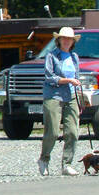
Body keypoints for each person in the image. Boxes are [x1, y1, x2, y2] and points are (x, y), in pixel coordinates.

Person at [38, 27, 83, 176]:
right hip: (54, 95)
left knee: (72, 131)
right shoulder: (51, 56)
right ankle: (44, 159)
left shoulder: (74, 57)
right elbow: (49, 77)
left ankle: (67, 164)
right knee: (53, 131)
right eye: (64, 38)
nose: (66, 41)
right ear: (59, 40)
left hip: (71, 96)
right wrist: (67, 80)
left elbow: (77, 76)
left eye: (69, 39)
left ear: (72, 41)